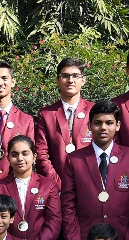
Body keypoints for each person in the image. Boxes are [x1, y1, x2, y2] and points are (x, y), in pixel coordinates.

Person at [62, 100, 129, 240]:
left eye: (109, 123)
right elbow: (68, 205)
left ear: (117, 126)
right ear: (89, 126)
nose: (103, 128)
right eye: (98, 123)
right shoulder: (75, 160)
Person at [35, 57, 95, 185]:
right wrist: (58, 184)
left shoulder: (94, 111)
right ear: (57, 81)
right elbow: (41, 155)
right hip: (57, 187)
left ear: (83, 80)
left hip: (90, 185)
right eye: (65, 76)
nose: (70, 80)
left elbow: (102, 148)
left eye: (75, 76)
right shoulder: (46, 114)